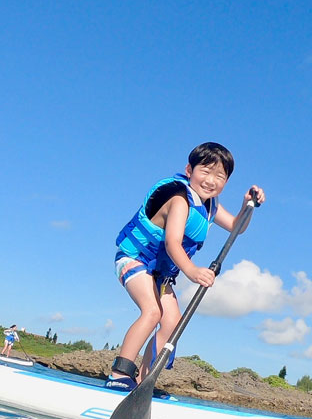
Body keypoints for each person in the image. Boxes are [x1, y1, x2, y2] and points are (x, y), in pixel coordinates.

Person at [106, 142, 263, 390]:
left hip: (159, 273)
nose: (211, 180)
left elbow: (237, 226)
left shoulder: (211, 205)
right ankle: (118, 374)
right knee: (152, 312)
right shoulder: (180, 200)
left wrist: (247, 206)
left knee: (172, 322)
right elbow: (172, 243)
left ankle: (143, 382)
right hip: (134, 259)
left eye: (220, 176)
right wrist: (192, 271)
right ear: (189, 170)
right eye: (205, 171)